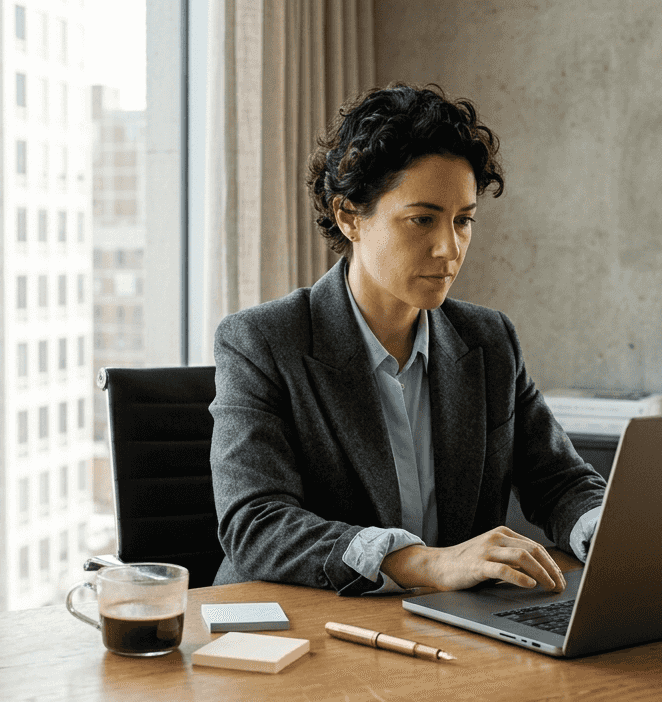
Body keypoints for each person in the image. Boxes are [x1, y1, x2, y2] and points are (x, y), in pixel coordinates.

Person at [209, 83, 606, 596]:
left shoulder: (490, 341)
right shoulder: (261, 341)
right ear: (349, 216)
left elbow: (560, 482)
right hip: (305, 624)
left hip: (451, 625)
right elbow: (256, 523)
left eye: (463, 221)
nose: (449, 248)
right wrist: (424, 564)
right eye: (422, 219)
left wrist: (607, 530)